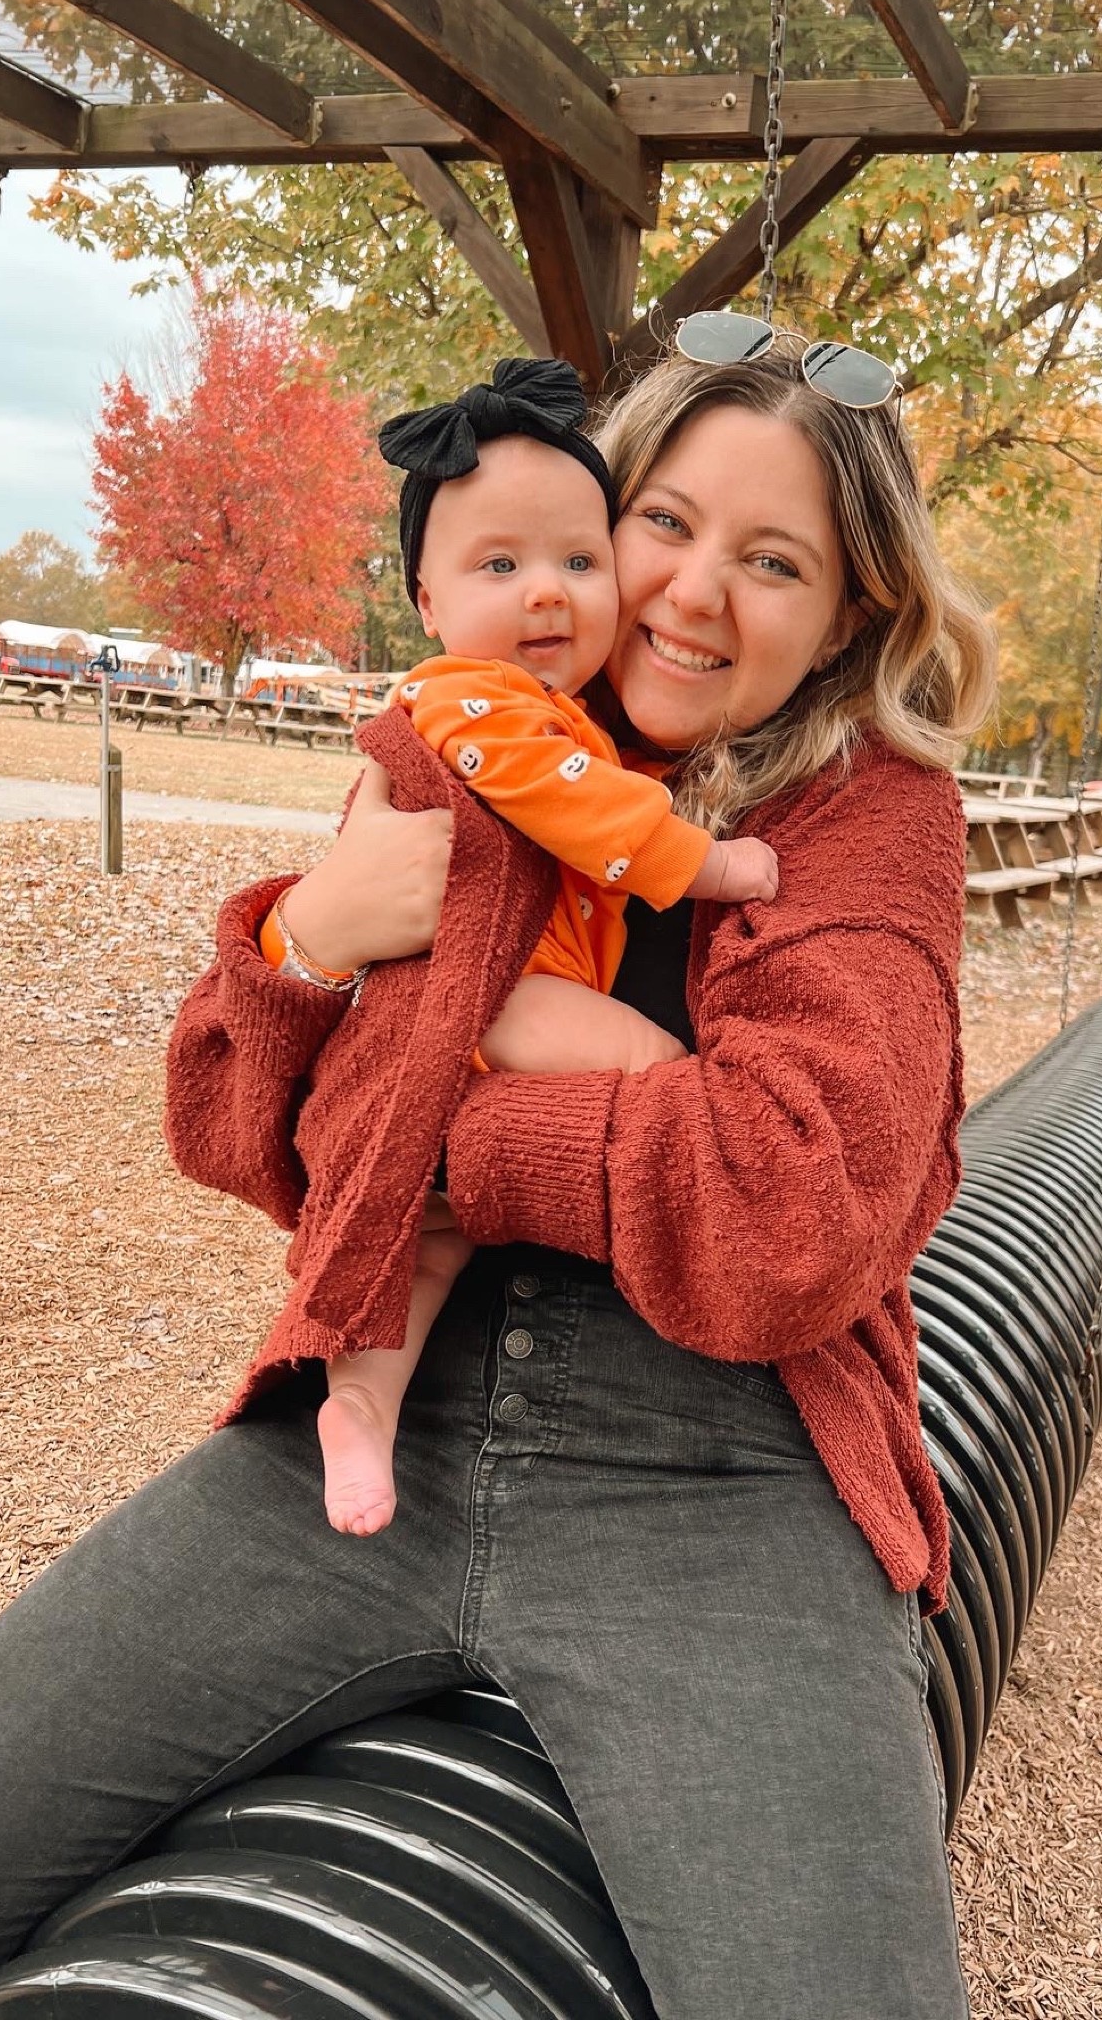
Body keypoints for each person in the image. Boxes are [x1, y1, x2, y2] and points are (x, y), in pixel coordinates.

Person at [0, 325, 998, 2020]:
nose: (694, 592)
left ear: (845, 614)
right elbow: (230, 1131)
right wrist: (304, 943)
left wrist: (439, 1149)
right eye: (664, 522)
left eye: (774, 562)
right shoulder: (470, 734)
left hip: (716, 1482)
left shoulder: (864, 821)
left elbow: (790, 1214)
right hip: (373, 1433)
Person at [271, 357, 780, 1538]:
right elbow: (577, 809)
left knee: (426, 1245)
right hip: (495, 993)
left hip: (479, 1009)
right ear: (427, 601)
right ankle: (363, 1396)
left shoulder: (558, 710)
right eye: (499, 565)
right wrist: (713, 865)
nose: (546, 591)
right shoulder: (472, 702)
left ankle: (361, 1405)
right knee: (664, 1072)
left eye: (578, 561)